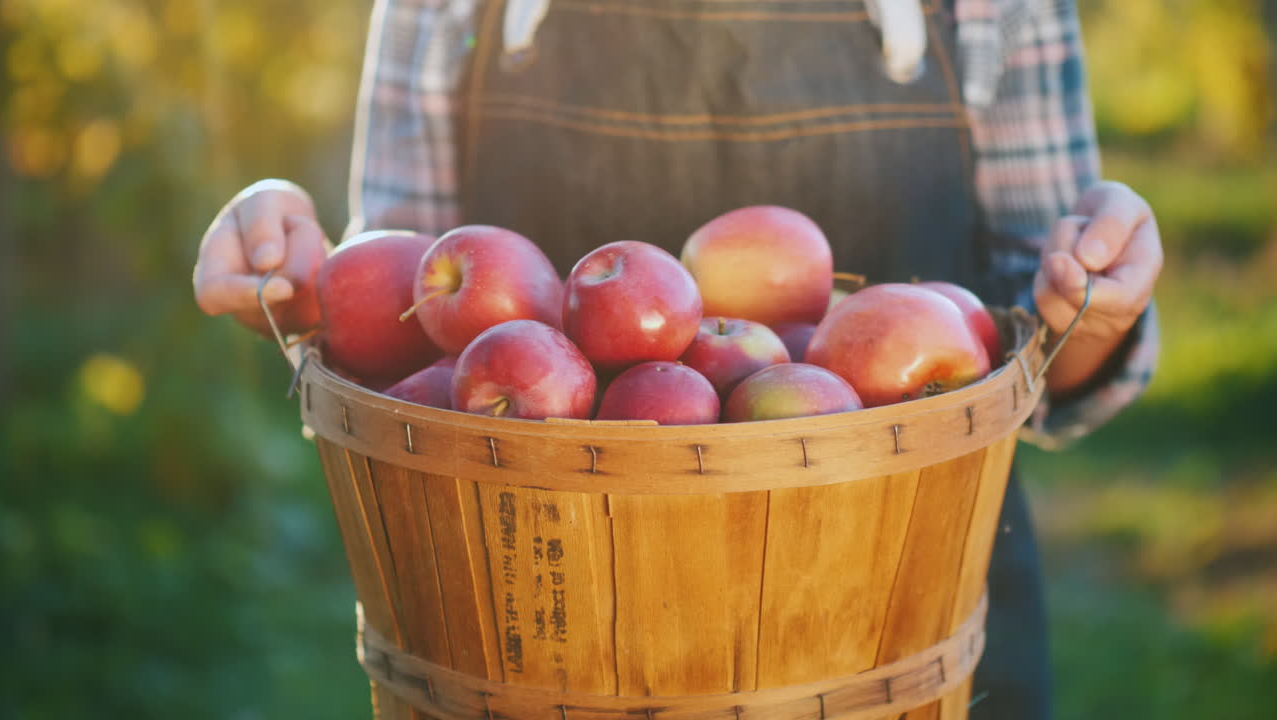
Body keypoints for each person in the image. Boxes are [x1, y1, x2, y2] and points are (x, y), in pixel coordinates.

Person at [193, 0, 1162, 717]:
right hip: (547, 641)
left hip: (897, 629)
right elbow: (406, 322)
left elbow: (1035, 365)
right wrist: (293, 282)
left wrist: (1094, 294)